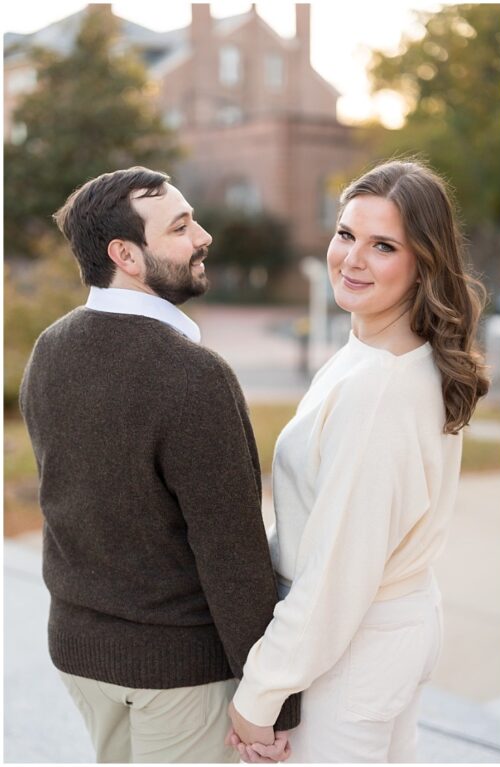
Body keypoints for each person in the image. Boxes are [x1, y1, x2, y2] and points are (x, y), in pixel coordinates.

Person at [18, 167, 299, 762]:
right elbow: (232, 556)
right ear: (127, 255)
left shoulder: (50, 348)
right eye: (181, 226)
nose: (204, 236)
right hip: (176, 678)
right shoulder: (193, 377)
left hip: (79, 656)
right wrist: (272, 703)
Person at [225, 160, 490, 763]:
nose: (353, 258)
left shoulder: (380, 388)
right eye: (346, 234)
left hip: (353, 645)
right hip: (389, 628)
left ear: (422, 262)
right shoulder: (383, 353)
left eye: (383, 246)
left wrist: (260, 694)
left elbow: (338, 571)